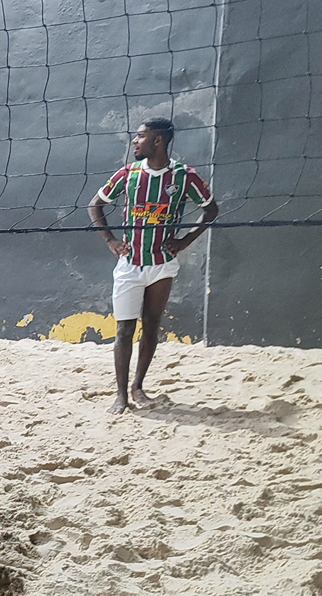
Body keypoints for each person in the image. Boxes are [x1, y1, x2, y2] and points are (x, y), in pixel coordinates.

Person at [88, 118, 219, 414]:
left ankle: (138, 387)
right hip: (130, 264)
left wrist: (185, 240)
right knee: (124, 330)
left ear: (157, 140)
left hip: (162, 265)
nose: (135, 141)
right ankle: (121, 395)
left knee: (151, 324)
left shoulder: (184, 177)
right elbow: (94, 205)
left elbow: (211, 210)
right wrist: (110, 240)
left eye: (140, 136)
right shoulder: (128, 174)